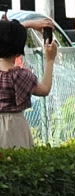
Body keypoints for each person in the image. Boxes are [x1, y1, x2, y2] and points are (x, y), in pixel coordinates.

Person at [0, 17, 54, 148]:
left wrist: (27, 25)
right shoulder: (21, 75)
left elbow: (7, 36)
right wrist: (50, 60)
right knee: (17, 164)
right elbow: (45, 89)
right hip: (15, 127)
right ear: (19, 49)